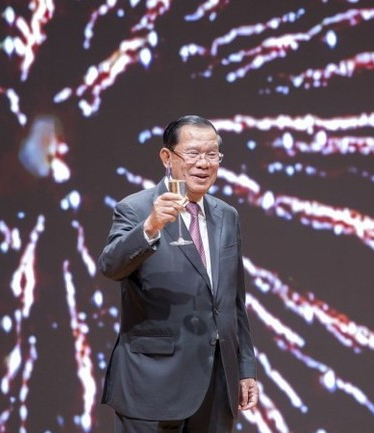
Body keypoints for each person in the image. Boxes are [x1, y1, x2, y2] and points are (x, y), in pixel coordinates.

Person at [98, 115, 258, 432]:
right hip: (153, 384)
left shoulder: (227, 216)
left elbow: (233, 300)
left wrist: (244, 367)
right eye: (193, 154)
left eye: (212, 154)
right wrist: (151, 227)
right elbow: (110, 266)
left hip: (216, 385)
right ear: (167, 158)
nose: (204, 163)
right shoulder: (136, 209)